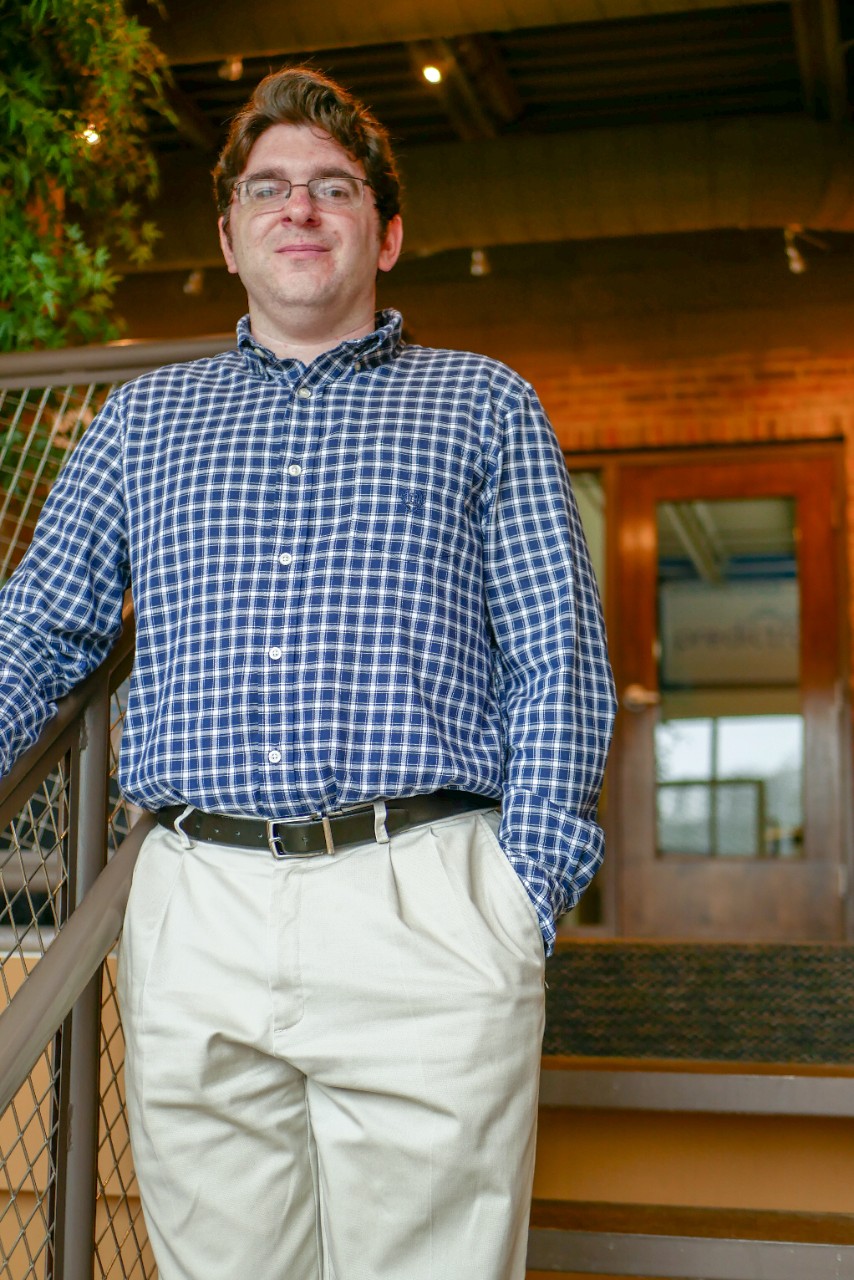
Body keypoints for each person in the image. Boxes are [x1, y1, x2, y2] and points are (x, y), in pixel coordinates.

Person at [0, 67, 615, 1280]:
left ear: (384, 231)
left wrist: (521, 895)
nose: (299, 206)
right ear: (227, 233)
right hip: (196, 905)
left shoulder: (482, 404)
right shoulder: (141, 422)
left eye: (333, 187)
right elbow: (35, 633)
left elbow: (558, 655)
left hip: (423, 899)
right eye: (268, 187)